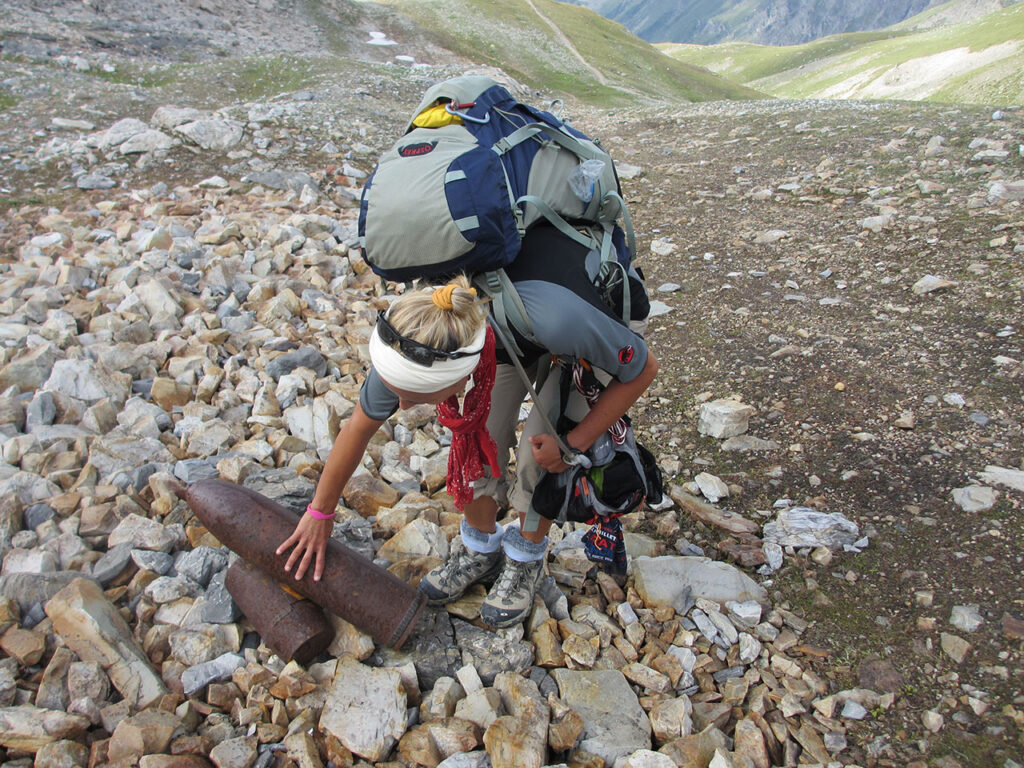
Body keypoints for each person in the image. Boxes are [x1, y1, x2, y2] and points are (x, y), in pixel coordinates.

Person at [277, 224, 658, 629]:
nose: (402, 407)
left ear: (460, 374)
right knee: (475, 439)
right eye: (400, 393)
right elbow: (358, 427)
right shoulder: (417, 334)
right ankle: (480, 548)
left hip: (581, 326)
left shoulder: (561, 319)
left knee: (540, 456)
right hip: (514, 330)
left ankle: (527, 558)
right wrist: (319, 514)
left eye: (413, 397)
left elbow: (642, 369)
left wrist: (572, 445)